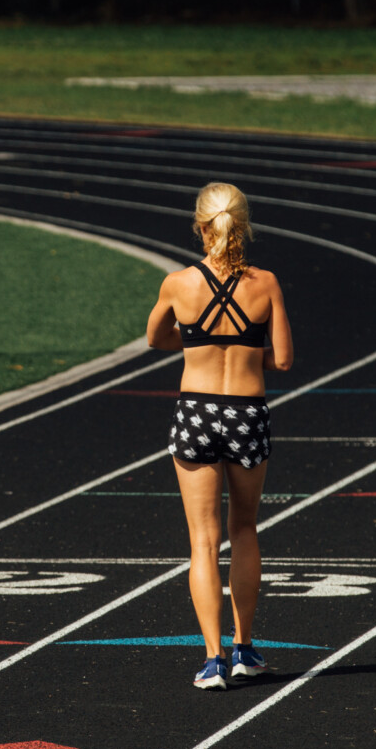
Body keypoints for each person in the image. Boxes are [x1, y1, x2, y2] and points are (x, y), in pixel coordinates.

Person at [146, 182, 293, 690]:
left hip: (196, 411)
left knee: (202, 541)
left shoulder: (177, 284)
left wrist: (196, 343)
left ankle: (212, 659)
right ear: (245, 224)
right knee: (245, 530)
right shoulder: (267, 284)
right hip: (247, 412)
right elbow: (284, 359)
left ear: (199, 225)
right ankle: (244, 648)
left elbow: (155, 337)